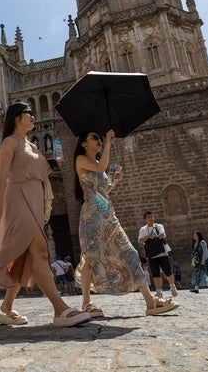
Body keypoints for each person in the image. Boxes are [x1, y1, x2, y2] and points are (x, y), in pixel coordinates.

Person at [0, 102, 90, 327]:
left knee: (25, 256)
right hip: (17, 199)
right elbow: (2, 175)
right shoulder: (9, 142)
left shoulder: (31, 145)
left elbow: (40, 172)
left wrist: (56, 161)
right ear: (17, 117)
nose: (33, 117)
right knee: (40, 250)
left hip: (34, 199)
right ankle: (59, 309)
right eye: (29, 114)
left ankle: (6, 307)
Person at [74, 129, 179, 316]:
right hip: (92, 216)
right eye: (94, 137)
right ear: (83, 143)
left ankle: (150, 301)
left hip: (108, 215)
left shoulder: (100, 163)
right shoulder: (81, 160)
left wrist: (113, 182)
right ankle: (86, 303)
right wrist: (107, 142)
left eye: (98, 137)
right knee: (91, 258)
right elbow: (98, 171)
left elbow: (104, 190)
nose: (98, 140)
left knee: (130, 253)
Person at [138, 211, 178, 298]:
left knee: (167, 271)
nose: (151, 219)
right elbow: (140, 240)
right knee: (155, 273)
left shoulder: (158, 226)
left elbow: (162, 234)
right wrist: (148, 237)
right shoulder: (143, 229)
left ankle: (172, 285)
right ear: (145, 219)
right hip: (151, 255)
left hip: (162, 253)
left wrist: (156, 236)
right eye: (148, 217)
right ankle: (159, 291)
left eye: (152, 217)